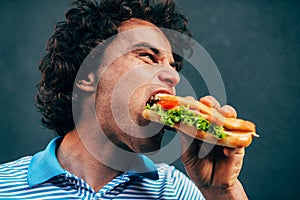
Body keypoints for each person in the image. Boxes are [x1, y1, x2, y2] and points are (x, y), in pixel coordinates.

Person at [0, 0, 249, 199]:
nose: (173, 76)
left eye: (173, 66)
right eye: (147, 56)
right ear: (87, 77)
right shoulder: (5, 187)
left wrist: (221, 193)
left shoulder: (177, 191)